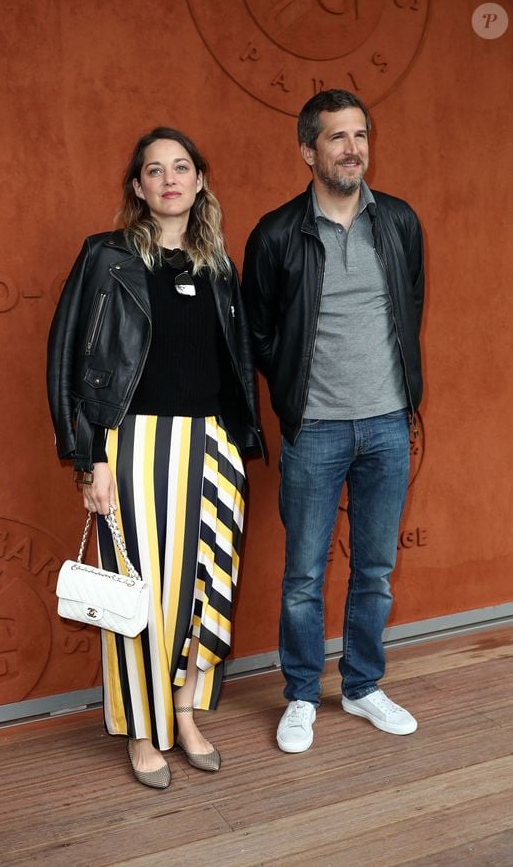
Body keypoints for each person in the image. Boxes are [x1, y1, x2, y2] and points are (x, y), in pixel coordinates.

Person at [47, 127, 263, 788]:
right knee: (142, 595)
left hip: (213, 446)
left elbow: (236, 363)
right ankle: (143, 730)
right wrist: (91, 458)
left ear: (199, 179)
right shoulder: (106, 257)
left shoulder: (218, 263)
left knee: (204, 589)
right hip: (133, 445)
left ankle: (185, 713)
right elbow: (70, 361)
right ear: (138, 187)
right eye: (153, 170)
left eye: (181, 167)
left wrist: (238, 437)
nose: (169, 179)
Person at [242, 89, 425, 753]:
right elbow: (257, 333)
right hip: (314, 430)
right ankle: (298, 692)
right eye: (337, 137)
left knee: (375, 569)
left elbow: (409, 308)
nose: (353, 149)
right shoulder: (276, 234)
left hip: (385, 428)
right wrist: (298, 397)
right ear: (307, 151)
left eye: (360, 135)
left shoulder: (399, 222)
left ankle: (361, 684)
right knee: (304, 577)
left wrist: (398, 399)